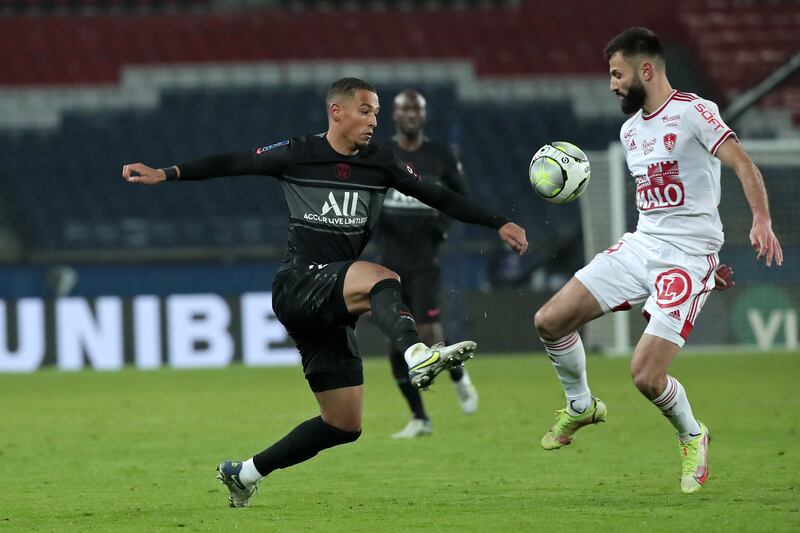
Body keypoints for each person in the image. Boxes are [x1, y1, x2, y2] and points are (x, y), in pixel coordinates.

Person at [122, 78, 527, 508]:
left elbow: (439, 195)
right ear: (337, 112)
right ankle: (416, 354)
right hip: (298, 283)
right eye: (366, 111)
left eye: (376, 113)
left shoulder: (381, 162)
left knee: (343, 423)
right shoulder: (298, 153)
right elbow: (234, 161)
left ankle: (244, 473)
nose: (374, 121)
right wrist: (165, 173)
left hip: (331, 303)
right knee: (381, 277)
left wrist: (497, 221)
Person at [533, 27, 782, 495]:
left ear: (646, 70)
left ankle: (692, 434)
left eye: (616, 74)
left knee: (646, 376)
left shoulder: (694, 112)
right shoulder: (629, 131)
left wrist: (760, 220)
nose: (611, 85)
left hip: (687, 260)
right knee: (550, 320)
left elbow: (742, 163)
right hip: (642, 245)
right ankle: (580, 403)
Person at [374, 90, 479, 439]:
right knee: (397, 344)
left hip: (425, 260)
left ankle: (458, 375)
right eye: (404, 108)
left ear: (423, 115)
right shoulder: (382, 155)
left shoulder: (441, 155)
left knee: (429, 333)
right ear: (394, 114)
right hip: (389, 263)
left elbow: (461, 197)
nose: (410, 114)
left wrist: (444, 229)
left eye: (416, 108)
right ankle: (420, 418)